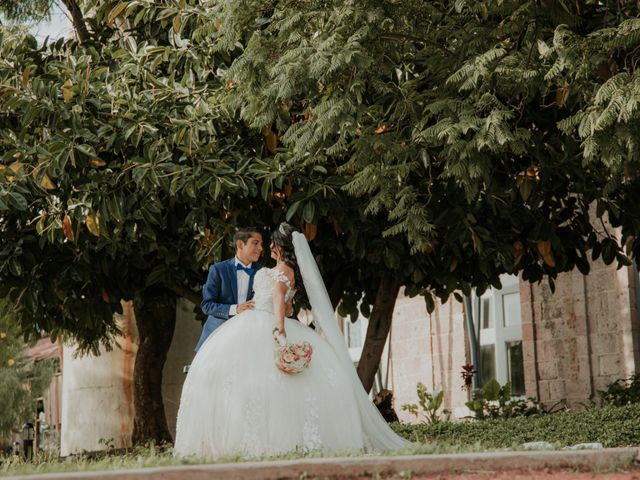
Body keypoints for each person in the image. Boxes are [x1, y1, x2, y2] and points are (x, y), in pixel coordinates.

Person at [174, 223, 408, 458]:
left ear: (279, 246)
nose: (263, 248)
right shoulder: (223, 270)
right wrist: (242, 309)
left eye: (265, 243)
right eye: (256, 243)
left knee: (267, 386)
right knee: (236, 387)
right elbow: (210, 304)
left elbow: (279, 302)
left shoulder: (270, 270)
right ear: (239, 245)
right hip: (235, 328)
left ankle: (260, 441)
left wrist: (280, 327)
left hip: (265, 324)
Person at [194, 227, 263, 352]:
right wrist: (235, 309)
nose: (260, 248)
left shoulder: (262, 272)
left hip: (249, 338)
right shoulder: (218, 270)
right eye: (255, 243)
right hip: (217, 337)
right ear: (240, 244)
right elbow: (207, 305)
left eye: (261, 244)